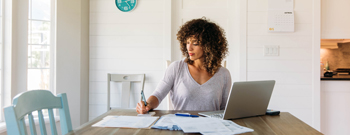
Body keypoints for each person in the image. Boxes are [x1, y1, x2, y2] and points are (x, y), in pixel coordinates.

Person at [136, 17, 231, 114]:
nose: (189, 48)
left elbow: (224, 109)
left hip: (212, 127)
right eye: (187, 42)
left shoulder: (223, 74)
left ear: (209, 46)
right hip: (180, 126)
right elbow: (158, 95)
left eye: (195, 43)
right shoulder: (176, 68)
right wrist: (147, 105)